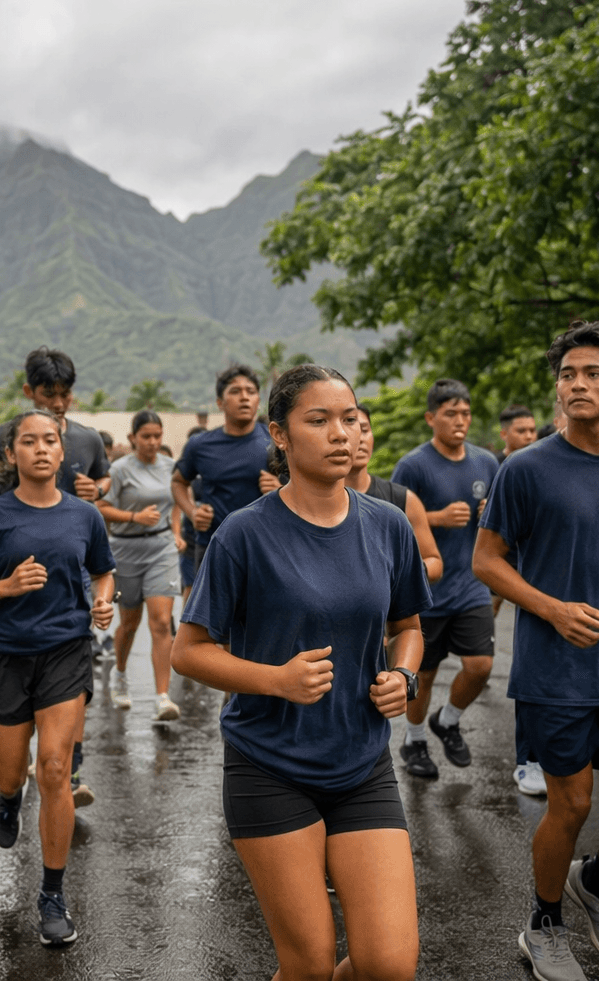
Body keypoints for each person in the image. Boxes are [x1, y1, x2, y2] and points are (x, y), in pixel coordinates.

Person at [172, 364, 431, 981]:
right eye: (318, 420)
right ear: (280, 435)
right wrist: (276, 680)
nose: (341, 433)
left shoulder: (388, 525)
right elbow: (189, 650)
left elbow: (409, 628)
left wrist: (404, 677)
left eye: (348, 418)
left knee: (389, 965)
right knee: (309, 965)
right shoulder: (244, 534)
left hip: (362, 762)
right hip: (270, 765)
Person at [473, 321, 599, 981]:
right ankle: (545, 923)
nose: (578, 384)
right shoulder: (525, 470)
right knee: (573, 805)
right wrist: (552, 608)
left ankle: (597, 883)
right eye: (567, 374)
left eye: (593, 373)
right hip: (554, 669)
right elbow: (487, 560)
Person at [0, 409, 116, 946]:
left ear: (61, 449)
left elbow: (103, 570)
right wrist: (4, 587)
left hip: (65, 651)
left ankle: (52, 894)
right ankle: (7, 798)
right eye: (28, 441)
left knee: (54, 768)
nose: (42, 449)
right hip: (4, 654)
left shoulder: (84, 515)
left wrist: (102, 603)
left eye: (50, 440)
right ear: (12, 454)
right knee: (11, 775)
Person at [391, 379, 500, 779]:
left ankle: (449, 720)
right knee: (425, 674)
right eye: (451, 413)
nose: (460, 420)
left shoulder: (487, 462)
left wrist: (492, 510)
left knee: (481, 665)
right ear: (430, 418)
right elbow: (394, 519)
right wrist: (437, 518)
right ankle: (414, 739)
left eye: (466, 413)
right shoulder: (413, 465)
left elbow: (502, 516)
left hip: (471, 584)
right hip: (428, 589)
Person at [98, 410, 184, 721]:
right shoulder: (119, 470)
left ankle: (163, 697)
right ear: (133, 438)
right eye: (145, 436)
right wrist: (134, 517)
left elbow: (175, 501)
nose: (152, 442)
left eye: (157, 436)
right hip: (126, 548)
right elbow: (101, 506)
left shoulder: (170, 467)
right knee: (130, 622)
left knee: (161, 622)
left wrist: (175, 533)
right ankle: (119, 676)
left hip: (161, 548)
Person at [172, 364, 274, 586]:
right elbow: (178, 482)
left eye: (251, 391)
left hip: (263, 547)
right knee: (209, 620)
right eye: (235, 391)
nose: (244, 397)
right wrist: (192, 512)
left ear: (258, 400)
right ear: (220, 403)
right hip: (212, 545)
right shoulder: (200, 445)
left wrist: (281, 490)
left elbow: (303, 488)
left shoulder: (276, 443)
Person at [0, 347, 111, 501]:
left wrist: (97, 490)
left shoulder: (89, 439)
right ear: (28, 391)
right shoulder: (2, 437)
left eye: (65, 394)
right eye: (49, 394)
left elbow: (104, 477)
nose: (58, 404)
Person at [346, 423, 443, 585]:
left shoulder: (402, 498)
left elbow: (434, 562)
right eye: (350, 429)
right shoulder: (314, 501)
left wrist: (403, 574)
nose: (360, 439)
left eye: (364, 430)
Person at [178, 424, 207, 601]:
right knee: (191, 590)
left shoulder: (216, 475)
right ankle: (184, 627)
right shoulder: (185, 476)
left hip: (213, 542)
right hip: (190, 542)